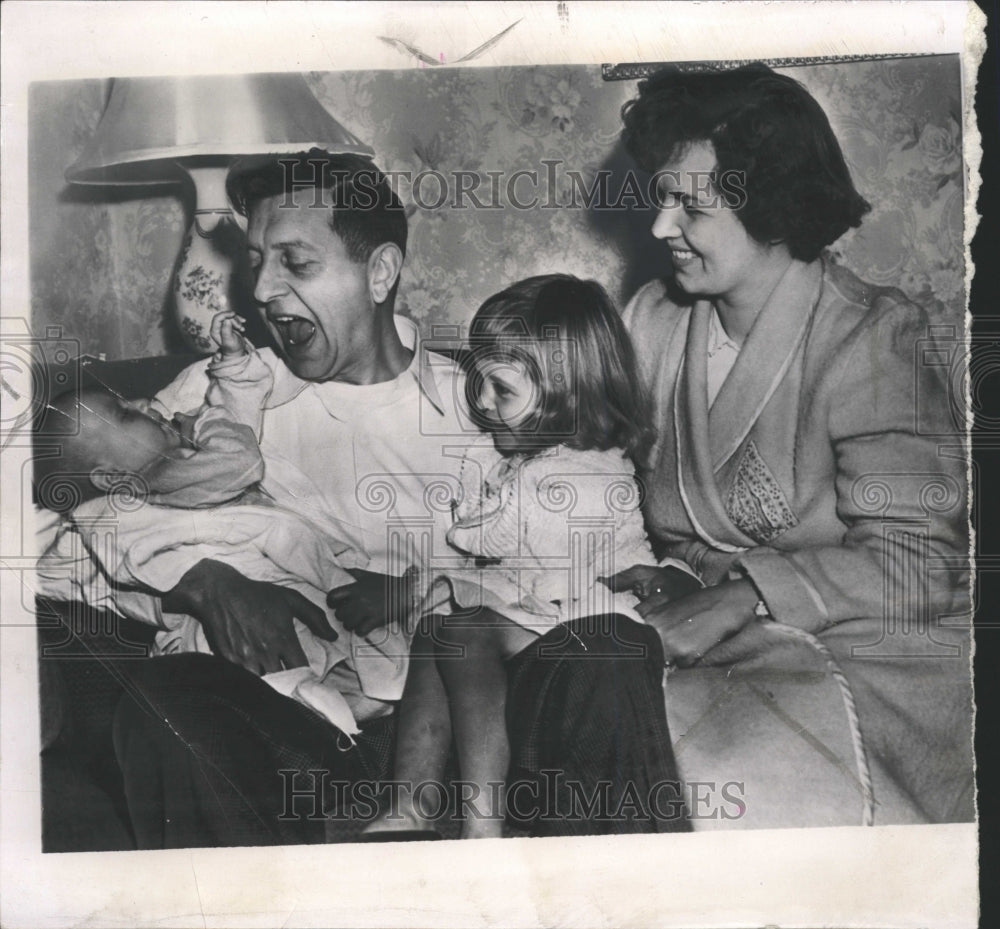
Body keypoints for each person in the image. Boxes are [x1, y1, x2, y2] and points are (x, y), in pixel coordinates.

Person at [37, 152, 683, 846]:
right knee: (161, 704)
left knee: (609, 650)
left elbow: (576, 535)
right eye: (257, 260)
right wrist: (199, 580)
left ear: (379, 273)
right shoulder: (218, 391)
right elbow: (53, 508)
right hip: (281, 720)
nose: (261, 289)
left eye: (296, 262)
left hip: (458, 733)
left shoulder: (488, 406)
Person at [603, 63, 972, 825]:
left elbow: (921, 564)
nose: (659, 228)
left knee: (723, 768)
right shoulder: (652, 320)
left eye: (689, 207)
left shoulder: (873, 336)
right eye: (661, 197)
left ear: (768, 205)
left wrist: (746, 595)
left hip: (862, 641)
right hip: (693, 619)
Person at [362, 275, 692, 839]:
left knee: (457, 628)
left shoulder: (575, 474)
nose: (483, 404)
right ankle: (411, 800)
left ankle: (478, 824)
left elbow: (482, 540)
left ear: (569, 397)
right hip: (546, 610)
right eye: (480, 383)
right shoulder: (544, 457)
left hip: (582, 618)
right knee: (441, 629)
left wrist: (474, 483)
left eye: (501, 391)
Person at [37, 309, 404, 732]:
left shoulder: (176, 462)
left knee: (346, 650)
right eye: (124, 414)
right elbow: (239, 458)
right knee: (268, 667)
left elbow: (239, 431)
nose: (142, 402)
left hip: (288, 581)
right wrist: (210, 421)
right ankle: (314, 711)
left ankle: (340, 709)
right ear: (110, 478)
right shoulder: (129, 498)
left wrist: (234, 365)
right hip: (231, 615)